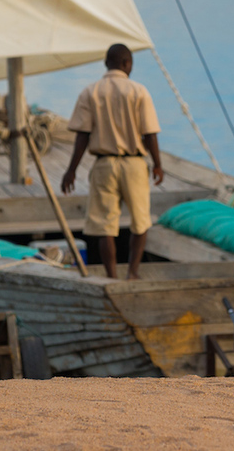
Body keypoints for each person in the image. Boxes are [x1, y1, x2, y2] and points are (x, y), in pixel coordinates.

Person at [61, 44, 164, 279]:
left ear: (106, 63)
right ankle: (133, 272)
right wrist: (157, 164)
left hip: (104, 164)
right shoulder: (139, 91)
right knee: (141, 221)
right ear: (127, 64)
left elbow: (82, 135)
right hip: (134, 164)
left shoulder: (91, 91)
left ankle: (111, 275)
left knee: (104, 225)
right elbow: (150, 133)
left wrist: (71, 170)